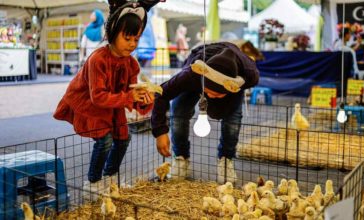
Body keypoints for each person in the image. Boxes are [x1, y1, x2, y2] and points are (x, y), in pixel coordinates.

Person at [53, 0, 160, 199]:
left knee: (124, 137)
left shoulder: (131, 64)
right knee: (104, 139)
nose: (132, 44)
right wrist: (129, 96)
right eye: (127, 38)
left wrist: (144, 99)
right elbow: (98, 97)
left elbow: (132, 93)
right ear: (112, 32)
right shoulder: (98, 59)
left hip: (113, 102)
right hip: (89, 102)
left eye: (136, 39)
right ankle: (92, 182)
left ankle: (110, 178)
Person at [151, 42, 260, 183]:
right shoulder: (191, 74)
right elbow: (161, 93)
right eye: (210, 92)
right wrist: (160, 131)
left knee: (233, 118)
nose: (213, 97)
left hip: (233, 81)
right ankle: (181, 157)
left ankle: (226, 159)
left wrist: (221, 94)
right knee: (179, 110)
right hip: (199, 72)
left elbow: (241, 88)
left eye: (218, 94)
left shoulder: (249, 75)